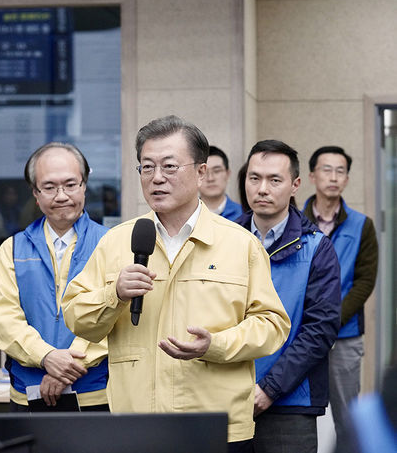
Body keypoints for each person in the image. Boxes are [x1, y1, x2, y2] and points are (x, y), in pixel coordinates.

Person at [62, 115, 290, 451]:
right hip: (136, 425)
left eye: (169, 167)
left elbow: (272, 326)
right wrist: (115, 294)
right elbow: (77, 317)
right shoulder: (117, 242)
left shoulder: (240, 244)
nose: (156, 179)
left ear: (201, 172)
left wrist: (215, 345)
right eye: (147, 167)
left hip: (216, 427)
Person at [235, 140, 341, 453]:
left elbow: (319, 331)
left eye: (274, 180)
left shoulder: (317, 248)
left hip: (290, 402)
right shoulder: (225, 240)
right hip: (227, 397)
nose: (262, 189)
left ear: (294, 185)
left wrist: (269, 388)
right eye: (254, 178)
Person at [0, 142, 109, 411]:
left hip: (96, 394)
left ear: (84, 185)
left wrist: (65, 369)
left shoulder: (111, 244)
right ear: (35, 193)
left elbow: (116, 317)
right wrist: (46, 357)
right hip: (28, 394)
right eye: (50, 187)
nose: (61, 195)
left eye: (70, 184)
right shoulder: (12, 249)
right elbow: (5, 320)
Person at [302, 145, 378, 450]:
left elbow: (365, 281)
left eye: (340, 171)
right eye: (326, 169)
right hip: (301, 334)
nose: (333, 177)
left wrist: (332, 320)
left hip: (345, 336)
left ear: (347, 179)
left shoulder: (362, 225)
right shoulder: (294, 222)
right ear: (311, 176)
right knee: (294, 411)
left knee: (347, 416)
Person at [199, 145, 243, 221]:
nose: (210, 178)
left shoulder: (244, 215)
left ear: (228, 174)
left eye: (216, 171)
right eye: (204, 172)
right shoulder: (186, 216)